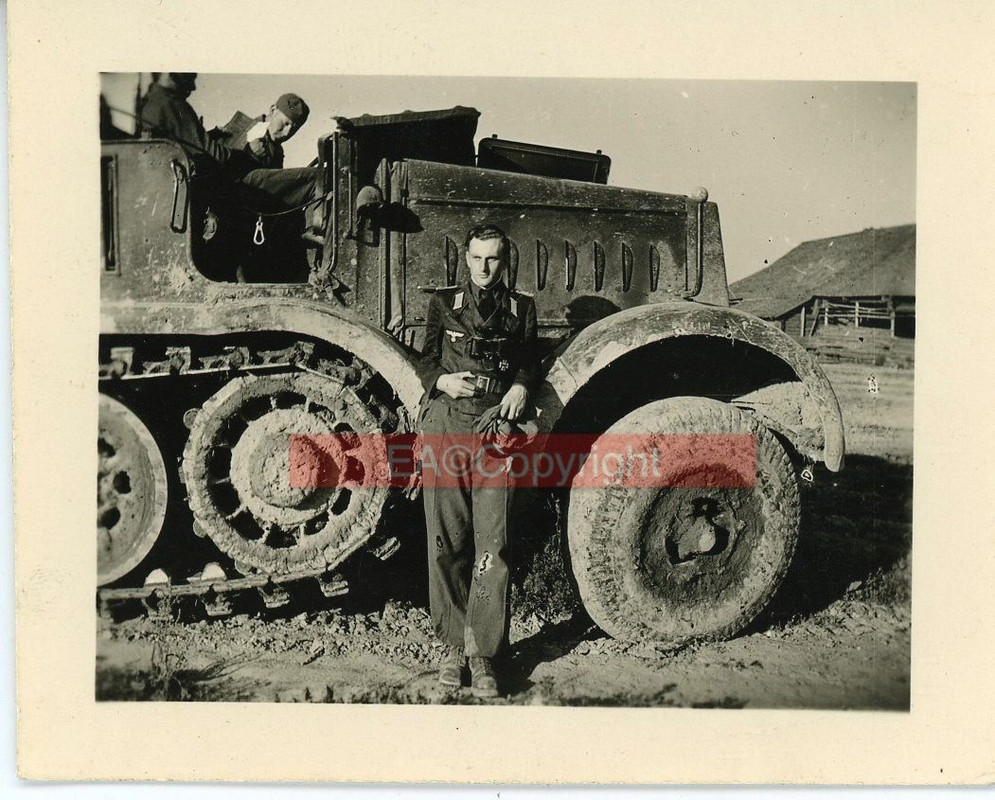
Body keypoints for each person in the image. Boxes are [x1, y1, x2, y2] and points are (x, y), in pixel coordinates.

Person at [418, 223, 539, 697]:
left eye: (492, 259)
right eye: (475, 258)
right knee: (446, 540)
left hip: (495, 431)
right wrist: (440, 381)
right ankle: (452, 647)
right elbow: (425, 357)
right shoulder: (443, 304)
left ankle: (484, 653)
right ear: (464, 259)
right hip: (448, 425)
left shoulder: (521, 308)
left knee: (493, 545)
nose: (483, 268)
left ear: (503, 262)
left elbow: (530, 358)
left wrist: (522, 384)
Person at [139, 72, 318, 213]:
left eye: (293, 128)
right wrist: (249, 154)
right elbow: (214, 155)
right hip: (233, 198)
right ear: (272, 110)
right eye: (285, 123)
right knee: (315, 177)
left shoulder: (154, 101)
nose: (287, 132)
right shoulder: (171, 105)